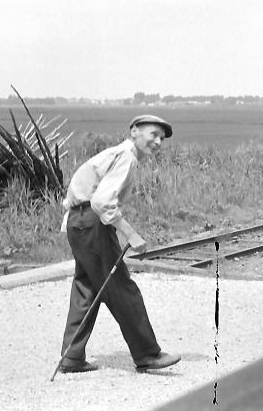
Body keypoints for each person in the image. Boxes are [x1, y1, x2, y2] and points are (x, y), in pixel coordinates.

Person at [58, 114, 181, 374]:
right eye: (153, 134)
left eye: (161, 138)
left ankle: (71, 357)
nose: (158, 142)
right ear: (135, 131)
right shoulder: (126, 156)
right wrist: (130, 234)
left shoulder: (117, 154)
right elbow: (101, 202)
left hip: (77, 222)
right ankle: (148, 355)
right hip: (92, 223)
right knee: (123, 289)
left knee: (86, 287)